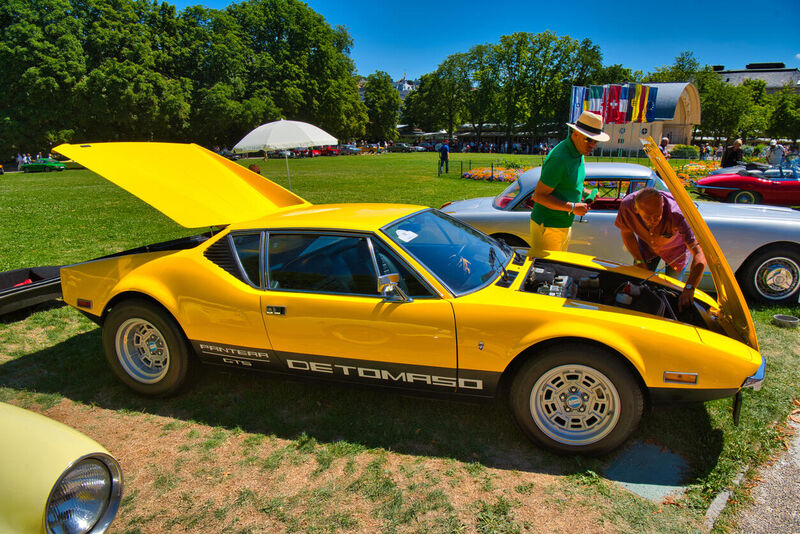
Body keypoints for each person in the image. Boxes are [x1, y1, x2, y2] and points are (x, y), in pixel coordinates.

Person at [529, 110, 609, 254]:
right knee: (546, 270)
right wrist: (572, 207)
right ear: (575, 133)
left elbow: (569, 182)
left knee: (558, 267)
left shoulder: (578, 152)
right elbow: (539, 196)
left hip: (563, 223)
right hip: (549, 225)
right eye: (588, 139)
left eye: (595, 141)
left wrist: (586, 192)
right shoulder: (560, 159)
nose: (592, 145)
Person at [615, 187, 707, 310]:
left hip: (676, 252)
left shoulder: (679, 212)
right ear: (636, 209)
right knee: (639, 285)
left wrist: (689, 288)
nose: (653, 221)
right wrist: (639, 260)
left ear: (662, 203)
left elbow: (699, 253)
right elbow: (627, 233)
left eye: (657, 216)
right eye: (647, 217)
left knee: (672, 292)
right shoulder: (627, 206)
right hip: (647, 249)